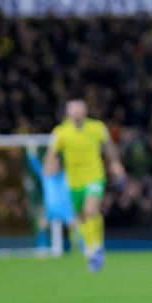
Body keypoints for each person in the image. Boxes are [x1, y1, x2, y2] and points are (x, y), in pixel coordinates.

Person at [43, 99, 126, 272]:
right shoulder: (61, 132)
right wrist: (49, 165)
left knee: (91, 210)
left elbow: (109, 146)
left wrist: (115, 164)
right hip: (73, 181)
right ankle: (93, 249)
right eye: (73, 111)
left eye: (79, 110)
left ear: (85, 112)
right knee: (80, 217)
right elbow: (51, 153)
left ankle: (96, 246)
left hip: (95, 176)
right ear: (68, 113)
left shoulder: (97, 127)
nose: (77, 114)